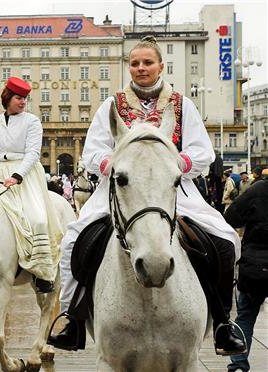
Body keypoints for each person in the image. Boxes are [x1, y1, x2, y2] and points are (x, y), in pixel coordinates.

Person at [49, 36, 245, 355]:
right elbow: (93, 149)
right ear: (130, 67)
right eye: (135, 63)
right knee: (73, 240)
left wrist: (174, 163)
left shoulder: (181, 104)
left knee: (226, 240)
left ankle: (224, 321)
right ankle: (72, 318)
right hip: (122, 188)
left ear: (160, 66)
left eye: (147, 63)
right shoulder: (111, 104)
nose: (141, 68)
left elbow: (202, 151)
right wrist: (112, 164)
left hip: (172, 189)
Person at [0, 76, 62, 293]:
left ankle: (43, 272)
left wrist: (17, 176)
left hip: (26, 174)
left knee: (37, 218)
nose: (23, 102)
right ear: (7, 98)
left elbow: (33, 153)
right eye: (18, 98)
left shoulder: (32, 121)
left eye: (25, 98)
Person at [225, 169, 268, 372]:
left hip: (255, 266)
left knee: (245, 317)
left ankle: (239, 365)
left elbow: (232, 217)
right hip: (255, 264)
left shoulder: (257, 190)